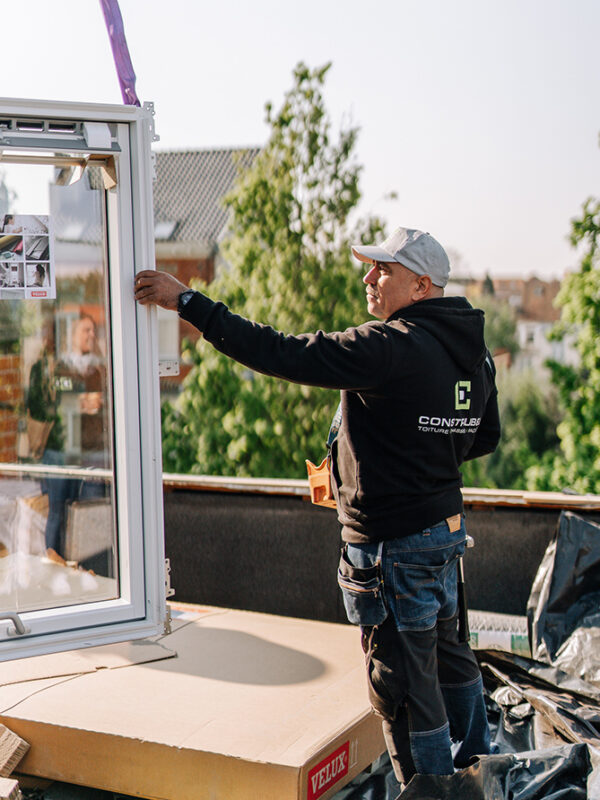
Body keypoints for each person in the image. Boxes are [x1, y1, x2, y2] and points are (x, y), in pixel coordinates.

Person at [134, 226, 501, 787]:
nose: (368, 278)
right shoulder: (473, 352)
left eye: (384, 270)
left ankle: (428, 792)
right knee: (451, 658)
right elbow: (482, 438)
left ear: (421, 285)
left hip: (393, 546)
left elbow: (280, 351)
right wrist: (412, 451)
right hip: (442, 533)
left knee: (403, 685)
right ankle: (483, 774)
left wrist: (189, 303)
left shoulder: (389, 347)